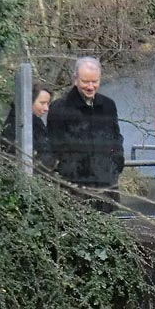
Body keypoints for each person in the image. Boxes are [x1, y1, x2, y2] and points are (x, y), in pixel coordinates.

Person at [47, 56, 124, 206]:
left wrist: (116, 164)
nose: (90, 86)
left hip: (106, 184)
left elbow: (116, 137)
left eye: (94, 82)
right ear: (75, 80)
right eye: (85, 82)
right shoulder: (59, 108)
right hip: (74, 188)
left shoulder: (108, 105)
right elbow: (53, 147)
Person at [0, 84, 55, 171]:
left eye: (47, 104)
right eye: (42, 103)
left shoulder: (29, 122)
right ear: (29, 101)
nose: (46, 108)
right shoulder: (18, 125)